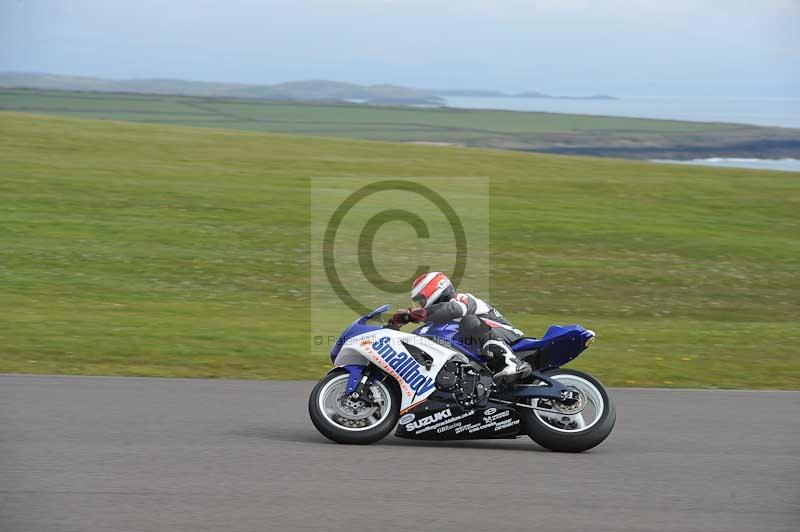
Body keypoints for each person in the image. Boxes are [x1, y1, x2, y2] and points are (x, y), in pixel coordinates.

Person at [388, 271, 532, 382]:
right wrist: (393, 330)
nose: (420, 305)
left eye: (421, 300)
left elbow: (453, 309)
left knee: (469, 322)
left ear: (434, 290)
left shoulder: (460, 299)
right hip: (482, 351)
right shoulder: (438, 322)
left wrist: (412, 314)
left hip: (508, 336)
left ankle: (512, 363)